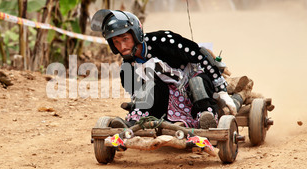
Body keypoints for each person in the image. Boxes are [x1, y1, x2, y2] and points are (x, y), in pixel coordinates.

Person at [91, 9, 238, 129]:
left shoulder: (164, 40)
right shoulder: (127, 68)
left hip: (195, 91)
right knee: (150, 87)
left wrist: (222, 91)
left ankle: (206, 117)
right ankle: (133, 123)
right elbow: (136, 92)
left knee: (197, 82)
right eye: (116, 42)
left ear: (135, 34)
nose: (122, 47)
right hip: (165, 104)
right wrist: (137, 104)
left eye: (125, 39)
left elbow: (200, 55)